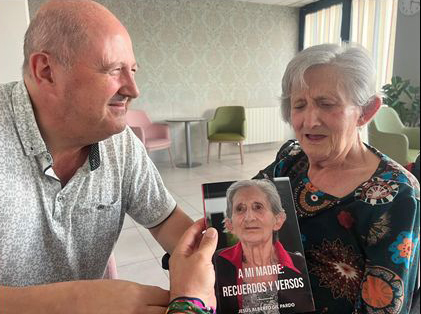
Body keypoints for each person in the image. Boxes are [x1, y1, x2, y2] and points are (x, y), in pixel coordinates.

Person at [0, 0, 195, 312]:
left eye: (132, 70)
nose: (133, 89)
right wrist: (76, 301)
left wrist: (214, 262)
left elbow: (166, 220)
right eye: (114, 70)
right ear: (46, 71)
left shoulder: (118, 140)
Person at [254, 43, 420, 313]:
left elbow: (384, 304)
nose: (310, 120)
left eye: (326, 104)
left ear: (365, 111)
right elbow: (241, 203)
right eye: (299, 105)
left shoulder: (397, 195)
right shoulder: (290, 159)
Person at [213, 179, 314, 314]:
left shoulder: (300, 265)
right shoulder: (216, 262)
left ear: (278, 220)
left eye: (258, 207)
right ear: (230, 224)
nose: (249, 217)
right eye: (240, 209)